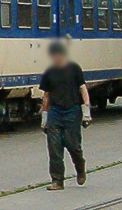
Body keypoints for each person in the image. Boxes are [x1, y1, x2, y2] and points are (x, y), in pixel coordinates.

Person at [39, 40, 92, 190]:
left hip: (72, 111)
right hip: (55, 112)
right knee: (54, 147)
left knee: (73, 145)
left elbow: (83, 90)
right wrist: (45, 117)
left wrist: (86, 112)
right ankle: (57, 181)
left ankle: (80, 168)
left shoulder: (74, 69)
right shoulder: (49, 72)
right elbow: (46, 95)